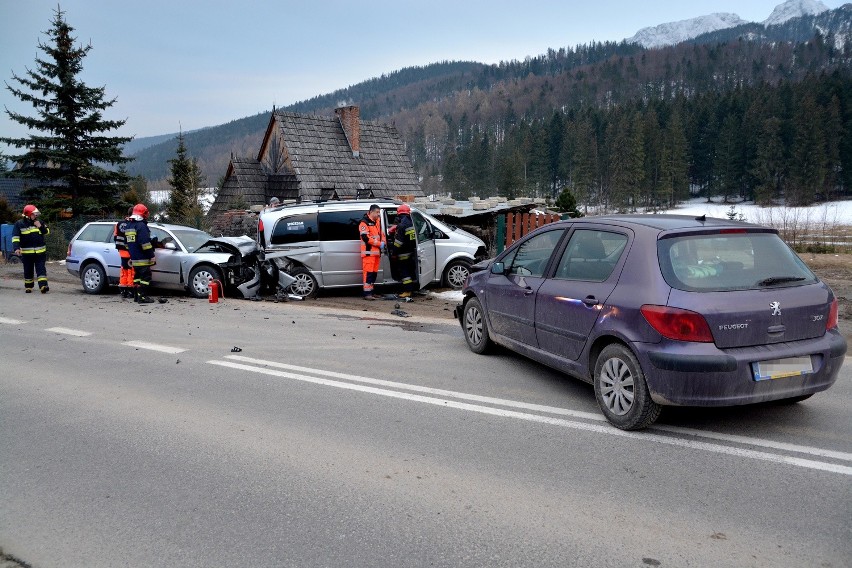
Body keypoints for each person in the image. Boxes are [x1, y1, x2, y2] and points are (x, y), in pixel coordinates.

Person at [12, 204, 50, 293]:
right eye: (34, 214)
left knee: (41, 269)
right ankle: (28, 286)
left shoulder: (40, 222)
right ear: (28, 215)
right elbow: (15, 237)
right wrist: (16, 248)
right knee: (28, 269)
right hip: (27, 253)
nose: (36, 216)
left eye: (36, 214)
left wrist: (40, 226)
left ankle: (43, 286)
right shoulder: (19, 224)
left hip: (40, 252)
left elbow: (47, 231)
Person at [124, 203, 157, 304]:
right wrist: (151, 255)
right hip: (142, 258)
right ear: (143, 213)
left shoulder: (129, 225)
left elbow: (127, 243)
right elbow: (145, 244)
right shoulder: (141, 226)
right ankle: (142, 297)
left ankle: (136, 297)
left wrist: (131, 255)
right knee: (145, 277)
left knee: (137, 277)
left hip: (134, 258)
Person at [358, 203, 386, 300]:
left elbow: (381, 234)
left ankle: (371, 292)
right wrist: (379, 244)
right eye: (377, 212)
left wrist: (384, 242)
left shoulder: (377, 221)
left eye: (379, 212)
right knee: (368, 273)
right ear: (370, 212)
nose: (378, 214)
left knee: (373, 274)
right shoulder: (364, 223)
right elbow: (365, 238)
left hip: (376, 253)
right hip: (368, 253)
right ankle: (367, 294)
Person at [391, 203, 417, 300]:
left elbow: (398, 243)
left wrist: (393, 253)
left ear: (399, 214)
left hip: (403, 254)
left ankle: (407, 291)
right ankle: (411, 289)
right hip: (411, 252)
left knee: (404, 273)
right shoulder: (412, 222)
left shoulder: (401, 225)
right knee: (410, 271)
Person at [114, 207, 135, 298]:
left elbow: (115, 236)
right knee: (131, 270)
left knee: (124, 269)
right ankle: (130, 289)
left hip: (122, 251)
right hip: (130, 251)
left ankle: (123, 289)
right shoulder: (132, 224)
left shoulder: (118, 224)